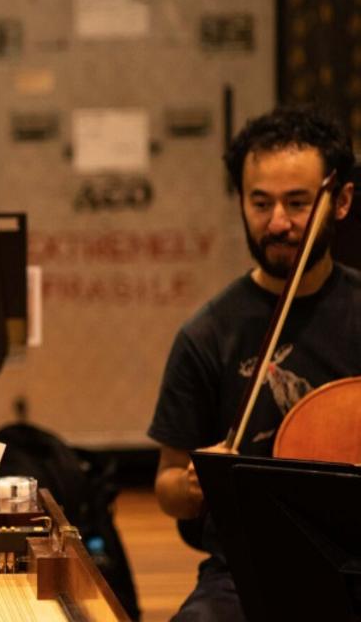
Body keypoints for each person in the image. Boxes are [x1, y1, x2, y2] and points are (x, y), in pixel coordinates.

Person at [148, 106, 359, 621]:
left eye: (298, 203)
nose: (278, 223)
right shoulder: (207, 334)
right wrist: (195, 482)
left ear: (342, 202)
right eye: (260, 203)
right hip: (245, 575)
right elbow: (168, 485)